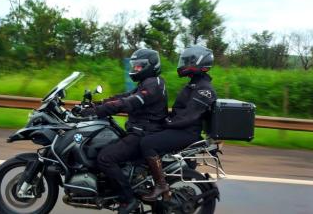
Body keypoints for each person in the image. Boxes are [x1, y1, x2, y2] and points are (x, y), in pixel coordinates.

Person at [80, 49, 168, 214]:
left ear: (150, 66)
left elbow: (129, 102)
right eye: (135, 66)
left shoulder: (153, 84)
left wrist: (98, 111)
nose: (135, 69)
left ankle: (128, 199)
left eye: (139, 67)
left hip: (144, 133)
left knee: (105, 158)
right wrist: (97, 105)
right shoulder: (147, 82)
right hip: (139, 131)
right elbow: (123, 97)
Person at [139, 45, 217, 202]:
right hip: (182, 129)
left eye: (188, 61)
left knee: (147, 143)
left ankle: (161, 185)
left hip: (186, 133)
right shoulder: (194, 84)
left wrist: (167, 122)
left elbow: (188, 116)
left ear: (199, 63)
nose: (183, 64)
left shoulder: (204, 89)